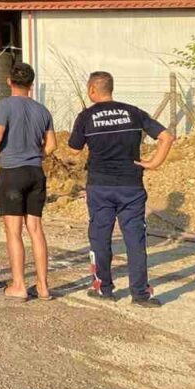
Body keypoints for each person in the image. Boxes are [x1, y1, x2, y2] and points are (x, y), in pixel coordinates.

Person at [68, 71, 175, 307]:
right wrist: (153, 164)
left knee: (100, 238)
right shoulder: (133, 112)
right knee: (135, 240)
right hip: (131, 186)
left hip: (100, 187)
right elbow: (166, 137)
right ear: (111, 88)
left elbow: (74, 150)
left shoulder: (86, 116)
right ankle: (140, 294)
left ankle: (103, 288)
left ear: (92, 90)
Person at [0, 62, 55, 302]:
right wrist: (36, 155)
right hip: (35, 172)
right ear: (31, 85)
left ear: (9, 82)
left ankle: (19, 285)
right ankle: (43, 287)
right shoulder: (42, 110)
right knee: (35, 229)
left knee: (14, 232)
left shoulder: (4, 106)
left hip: (12, 172)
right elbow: (52, 145)